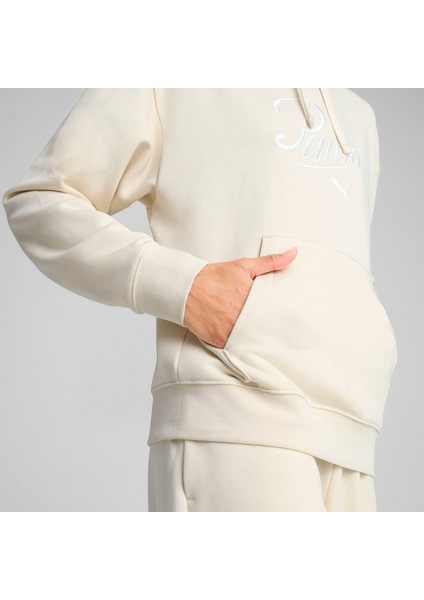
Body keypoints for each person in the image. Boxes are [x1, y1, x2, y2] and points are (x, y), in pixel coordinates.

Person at [2, 88, 398, 511]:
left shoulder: (359, 117)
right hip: (236, 411)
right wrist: (184, 287)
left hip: (355, 431)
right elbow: (41, 201)